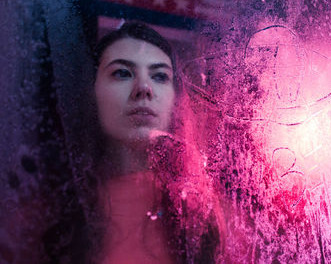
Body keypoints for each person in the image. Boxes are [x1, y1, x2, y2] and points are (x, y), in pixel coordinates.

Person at [72, 22, 225, 263]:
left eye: (160, 76)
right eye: (122, 72)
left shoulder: (206, 210)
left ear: (176, 99)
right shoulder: (44, 210)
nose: (144, 88)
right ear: (92, 92)